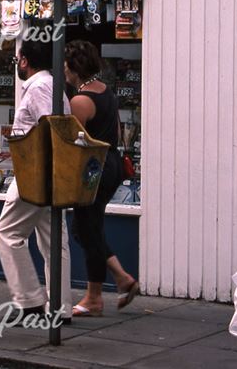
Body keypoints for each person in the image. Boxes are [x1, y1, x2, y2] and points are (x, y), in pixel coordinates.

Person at [0, 39, 72, 325]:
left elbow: (51, 127)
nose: (17, 66)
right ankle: (60, 308)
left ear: (25, 61)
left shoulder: (39, 87)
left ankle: (30, 302)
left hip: (34, 173)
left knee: (7, 234)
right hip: (52, 174)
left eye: (17, 61)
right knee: (54, 242)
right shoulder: (53, 85)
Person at [64, 40, 139, 316]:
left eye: (66, 64)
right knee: (85, 228)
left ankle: (94, 297)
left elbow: (72, 143)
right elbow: (116, 132)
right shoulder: (106, 92)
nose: (63, 69)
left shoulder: (80, 101)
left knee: (88, 229)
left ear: (73, 69)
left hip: (94, 170)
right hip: (113, 165)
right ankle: (122, 278)